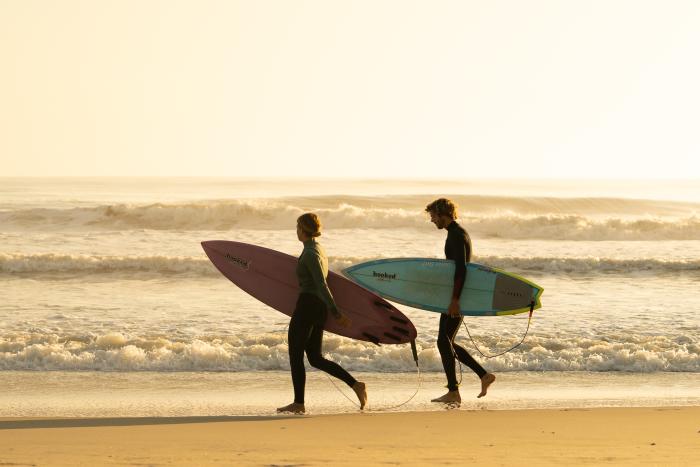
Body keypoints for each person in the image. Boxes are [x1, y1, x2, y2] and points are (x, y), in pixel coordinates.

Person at [277, 213, 368, 414]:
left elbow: (321, 284)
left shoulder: (311, 254)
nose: (296, 230)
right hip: (316, 308)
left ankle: (298, 403)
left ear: (303, 229)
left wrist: (336, 313)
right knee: (315, 358)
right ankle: (356, 385)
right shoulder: (318, 248)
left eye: (297, 227)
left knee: (295, 354)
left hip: (308, 306)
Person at [425, 198, 496, 404]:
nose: (432, 221)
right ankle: (483, 376)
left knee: (443, 341)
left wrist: (455, 300)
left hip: (458, 295)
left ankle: (454, 391)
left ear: (443, 214)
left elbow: (461, 269)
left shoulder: (457, 235)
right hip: (456, 294)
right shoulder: (455, 233)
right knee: (447, 342)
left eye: (433, 216)